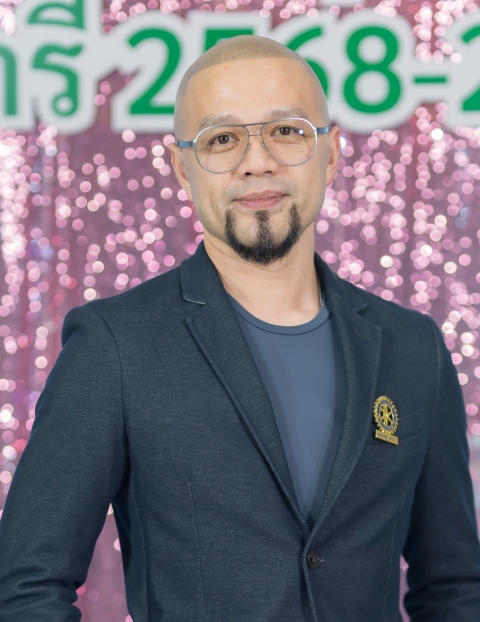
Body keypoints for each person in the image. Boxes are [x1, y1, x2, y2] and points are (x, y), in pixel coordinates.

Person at [0, 35, 479, 622]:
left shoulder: (413, 348)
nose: (258, 161)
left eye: (287, 131)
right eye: (222, 139)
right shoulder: (115, 346)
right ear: (182, 168)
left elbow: (455, 588)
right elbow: (26, 588)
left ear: (330, 153)